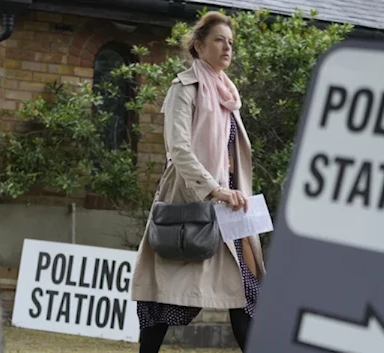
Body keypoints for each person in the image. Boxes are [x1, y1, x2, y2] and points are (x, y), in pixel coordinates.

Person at [130, 10, 267, 353]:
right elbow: (178, 148)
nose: (227, 48)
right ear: (198, 45)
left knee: (247, 292)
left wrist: (232, 188)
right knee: (167, 297)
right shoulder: (184, 88)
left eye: (231, 42)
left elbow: (229, 151)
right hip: (193, 202)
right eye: (219, 40)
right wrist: (214, 188)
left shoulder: (227, 94)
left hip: (231, 208)